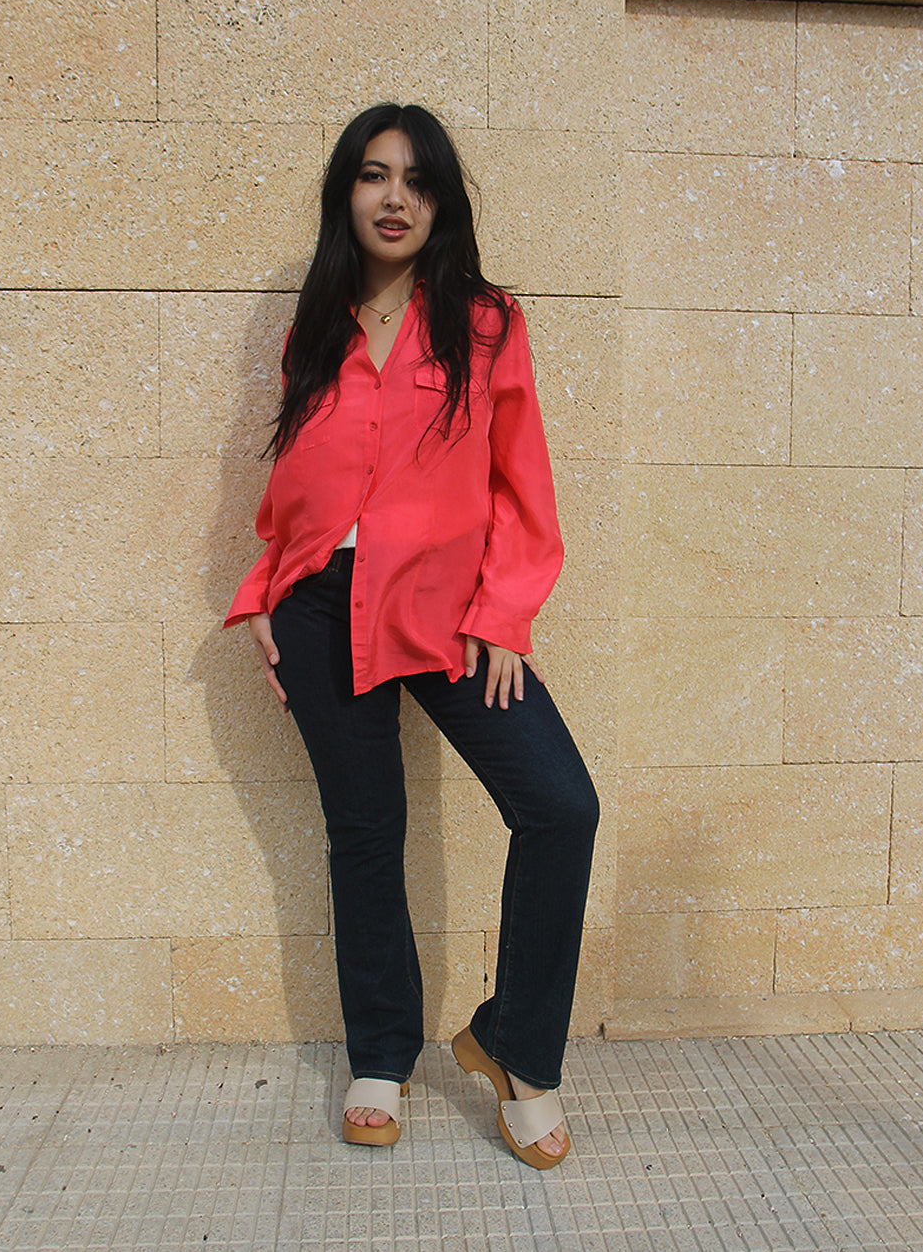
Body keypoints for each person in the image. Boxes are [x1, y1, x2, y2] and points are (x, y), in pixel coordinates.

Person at [225, 103, 599, 1169]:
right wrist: (262, 587)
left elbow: (520, 479)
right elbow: (295, 474)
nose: (394, 198)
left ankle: (516, 1046)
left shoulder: (485, 322)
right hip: (314, 607)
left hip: (446, 611)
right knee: (365, 831)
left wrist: (504, 613)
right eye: (373, 176)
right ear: (344, 193)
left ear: (441, 201)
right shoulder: (317, 321)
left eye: (417, 180)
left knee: (559, 803)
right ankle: (380, 1055)